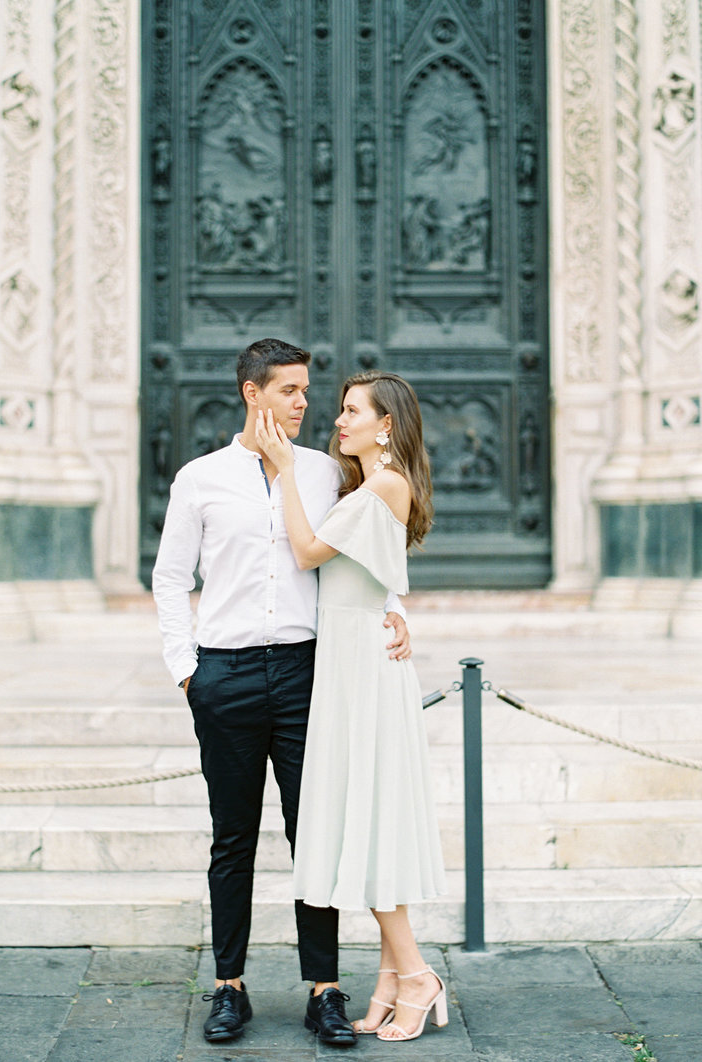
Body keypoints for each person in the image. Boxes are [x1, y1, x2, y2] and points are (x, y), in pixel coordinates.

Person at [152, 339, 411, 1046]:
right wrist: (187, 669)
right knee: (232, 837)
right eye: (290, 391)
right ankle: (229, 985)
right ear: (252, 394)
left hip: (307, 674)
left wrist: (397, 609)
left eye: (306, 391)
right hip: (225, 677)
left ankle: (324, 989)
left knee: (315, 834)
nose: (305, 404)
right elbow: (171, 578)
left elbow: (373, 550)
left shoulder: (329, 473)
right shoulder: (199, 479)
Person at [255, 369, 448, 1044]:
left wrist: (281, 469)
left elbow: (309, 553)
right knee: (360, 822)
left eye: (352, 411)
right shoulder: (371, 487)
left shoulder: (385, 484)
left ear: (386, 424)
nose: (339, 421)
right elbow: (374, 574)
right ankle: (392, 978)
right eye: (340, 410)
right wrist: (397, 612)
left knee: (366, 823)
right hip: (352, 658)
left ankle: (418, 974)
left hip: (363, 668)